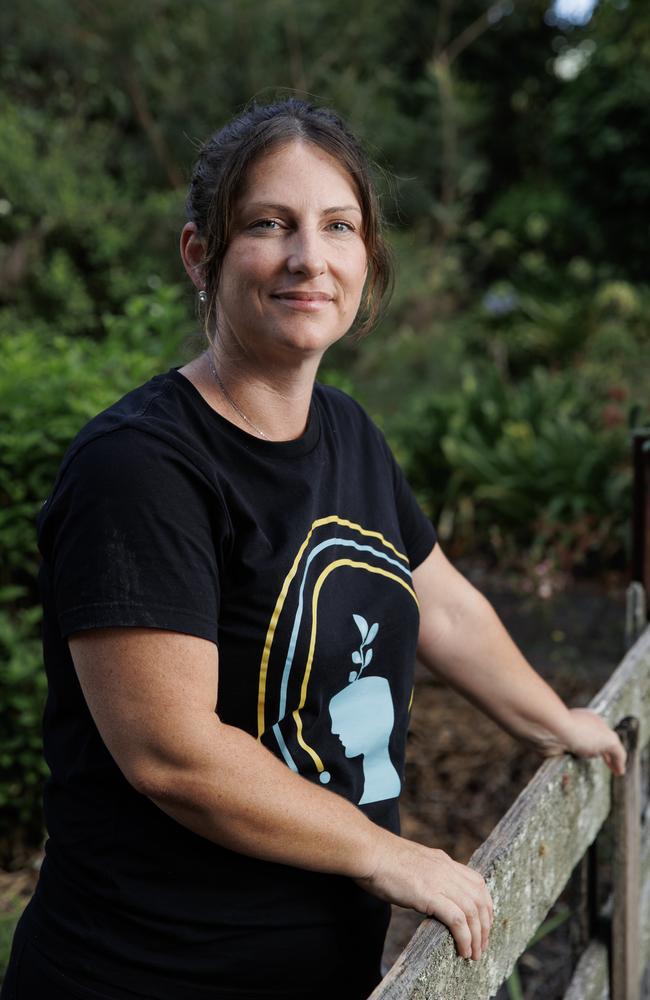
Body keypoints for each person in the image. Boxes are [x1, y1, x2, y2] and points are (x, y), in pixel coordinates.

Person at [1, 98, 626, 1000]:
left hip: (317, 971)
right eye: (269, 225)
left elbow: (438, 599)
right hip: (149, 976)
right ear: (199, 255)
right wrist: (387, 855)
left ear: (366, 259)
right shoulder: (140, 468)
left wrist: (553, 720)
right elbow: (172, 753)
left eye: (338, 226)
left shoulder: (348, 432)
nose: (308, 257)